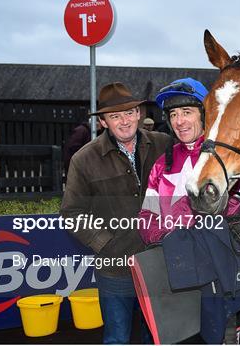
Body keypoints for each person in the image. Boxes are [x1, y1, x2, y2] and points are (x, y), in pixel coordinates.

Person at [138, 78, 240, 344]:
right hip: (180, 278)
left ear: (204, 115)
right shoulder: (162, 165)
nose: (179, 121)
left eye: (187, 112)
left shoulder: (229, 159)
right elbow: (146, 220)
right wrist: (174, 235)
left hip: (226, 284)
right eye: (173, 114)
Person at [60, 82, 170, 344]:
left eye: (129, 113)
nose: (124, 121)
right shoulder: (84, 159)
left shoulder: (164, 144)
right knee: (117, 337)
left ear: (139, 114)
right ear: (103, 122)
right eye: (115, 116)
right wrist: (105, 244)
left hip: (160, 262)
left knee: (158, 335)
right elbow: (71, 212)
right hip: (114, 269)